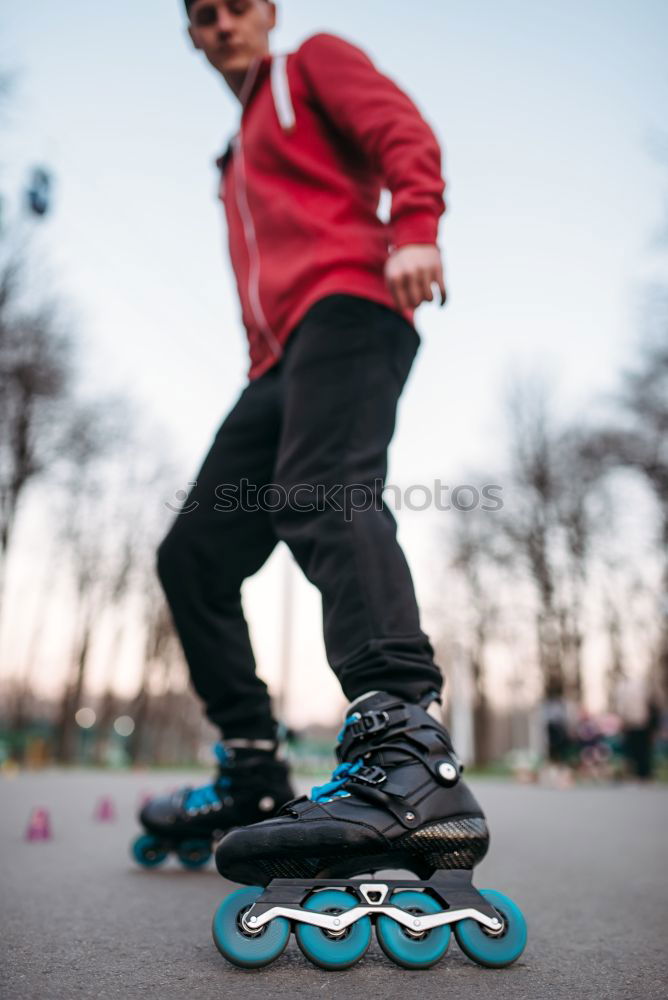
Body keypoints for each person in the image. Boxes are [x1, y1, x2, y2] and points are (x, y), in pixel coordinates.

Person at [136, 0, 490, 886]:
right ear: (190, 35)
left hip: (353, 306)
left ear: (268, 13)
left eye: (237, 6)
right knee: (195, 555)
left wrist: (414, 225)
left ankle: (408, 745)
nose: (221, 24)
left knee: (321, 490)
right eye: (202, 14)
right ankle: (255, 769)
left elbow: (401, 129)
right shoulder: (231, 157)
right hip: (279, 359)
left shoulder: (310, 67)